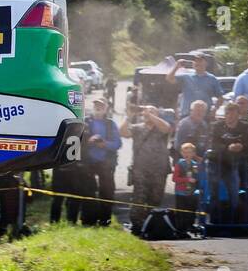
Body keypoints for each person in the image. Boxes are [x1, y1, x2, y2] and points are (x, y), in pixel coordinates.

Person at [120, 103, 172, 235]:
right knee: (139, 198)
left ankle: (152, 225)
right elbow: (123, 132)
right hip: (140, 170)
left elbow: (167, 128)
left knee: (155, 198)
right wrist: (129, 117)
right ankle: (137, 226)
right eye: (145, 112)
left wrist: (152, 115)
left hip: (159, 170)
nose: (147, 113)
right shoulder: (138, 128)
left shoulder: (161, 127)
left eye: (152, 111)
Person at [80, 98, 121, 225]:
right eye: (96, 105)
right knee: (87, 191)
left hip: (106, 163)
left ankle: (105, 219)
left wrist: (105, 144)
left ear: (106, 108)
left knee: (107, 191)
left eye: (101, 106)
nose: (98, 107)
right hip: (88, 162)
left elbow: (117, 143)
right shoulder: (85, 122)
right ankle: (88, 219)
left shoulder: (111, 124)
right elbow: (76, 140)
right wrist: (88, 141)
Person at [171, 143, 202, 233]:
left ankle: (190, 226)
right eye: (185, 152)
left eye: (189, 152)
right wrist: (187, 179)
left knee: (192, 210)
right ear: (181, 153)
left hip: (192, 192)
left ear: (193, 153)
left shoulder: (195, 165)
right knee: (181, 211)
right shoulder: (179, 164)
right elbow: (174, 179)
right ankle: (181, 229)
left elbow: (198, 177)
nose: (187, 154)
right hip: (181, 192)